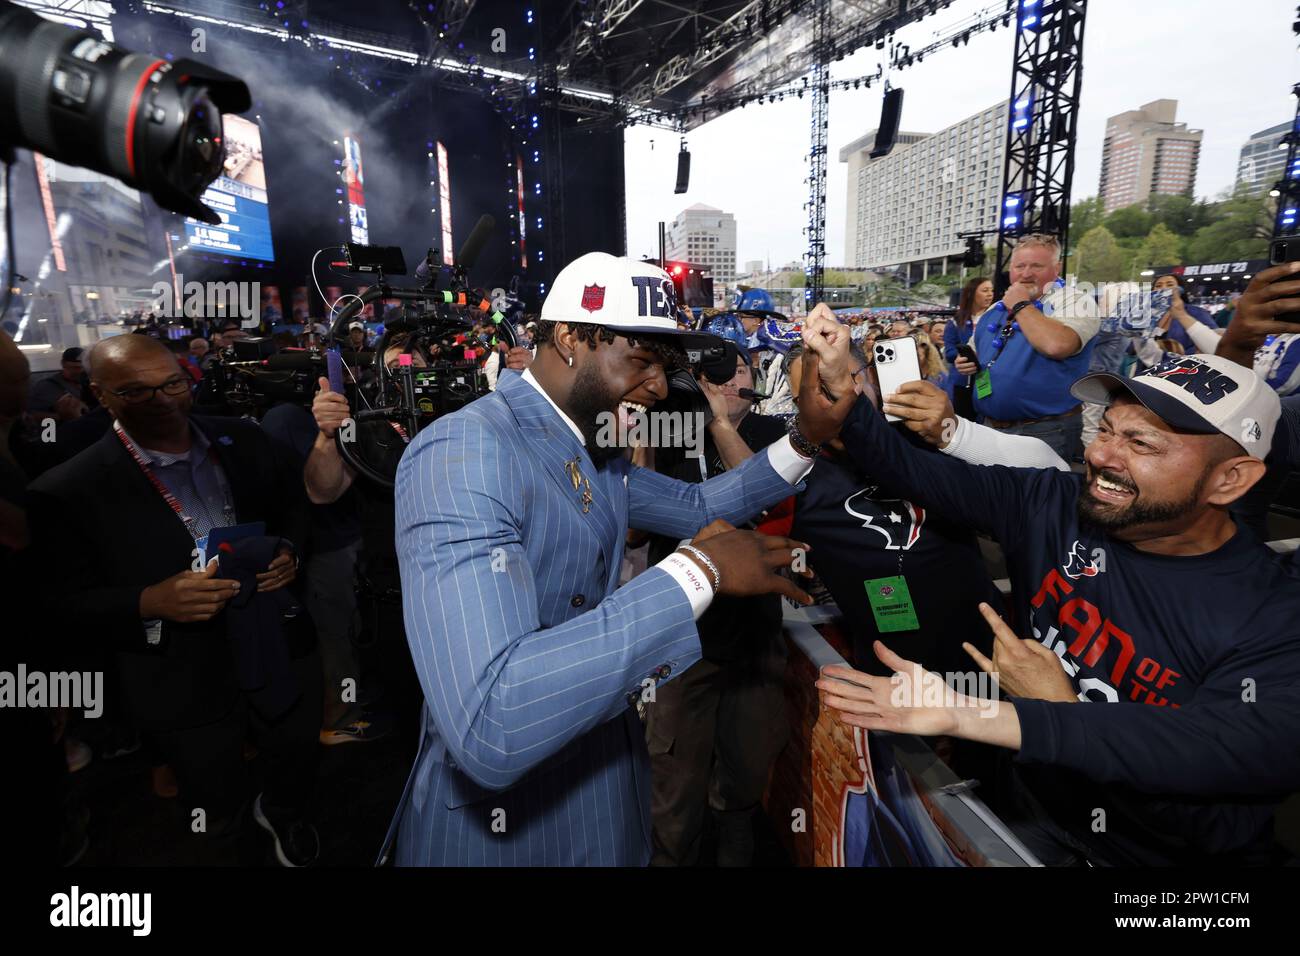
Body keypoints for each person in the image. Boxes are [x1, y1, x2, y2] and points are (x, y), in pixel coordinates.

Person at [379, 254, 855, 867]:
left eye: (663, 364)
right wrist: (698, 572)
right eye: (641, 359)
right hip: (508, 837)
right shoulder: (464, 451)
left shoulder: (590, 446)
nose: (658, 389)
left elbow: (700, 502)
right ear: (572, 338)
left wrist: (805, 439)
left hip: (605, 797)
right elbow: (491, 721)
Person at [802, 311, 1300, 865]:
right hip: (1029, 811)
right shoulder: (1052, 505)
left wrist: (1036, 706)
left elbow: (1207, 786)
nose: (1102, 455)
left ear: (1231, 479)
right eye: (1107, 429)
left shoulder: (1275, 619)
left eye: (1142, 442)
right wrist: (841, 380)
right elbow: (909, 470)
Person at [25, 334, 324, 866]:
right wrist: (148, 601)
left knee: (295, 752)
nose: (164, 401)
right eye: (137, 391)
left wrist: (290, 554)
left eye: (172, 383)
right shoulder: (67, 488)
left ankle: (284, 812)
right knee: (212, 789)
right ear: (101, 394)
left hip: (276, 638)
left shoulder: (245, 440)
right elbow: (56, 604)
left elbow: (295, 508)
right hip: (180, 672)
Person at [642, 339, 791, 867]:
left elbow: (772, 505)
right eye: (712, 373)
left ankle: (736, 843)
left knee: (748, 762)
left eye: (737, 369)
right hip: (683, 635)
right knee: (676, 772)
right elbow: (636, 530)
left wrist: (721, 425)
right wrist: (643, 431)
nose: (725, 381)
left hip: (753, 633)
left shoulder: (774, 435)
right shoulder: (668, 431)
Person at [953, 235, 1099, 461]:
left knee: (1034, 496)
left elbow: (1057, 345)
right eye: (1019, 266)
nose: (1026, 273)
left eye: (1036, 266)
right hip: (989, 425)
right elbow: (977, 352)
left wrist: (1021, 305)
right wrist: (966, 363)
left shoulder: (1075, 302)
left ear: (1057, 268)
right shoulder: (996, 309)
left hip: (1044, 431)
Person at [28, 347, 88, 422]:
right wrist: (63, 416)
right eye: (75, 368)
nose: (80, 372)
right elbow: (33, 415)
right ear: (63, 364)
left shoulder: (90, 383)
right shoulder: (46, 386)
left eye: (83, 368)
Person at [945, 277, 993, 364]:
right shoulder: (955, 322)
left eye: (991, 290)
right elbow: (949, 353)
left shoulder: (996, 319)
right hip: (962, 375)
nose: (990, 294)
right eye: (985, 290)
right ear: (970, 293)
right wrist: (969, 354)